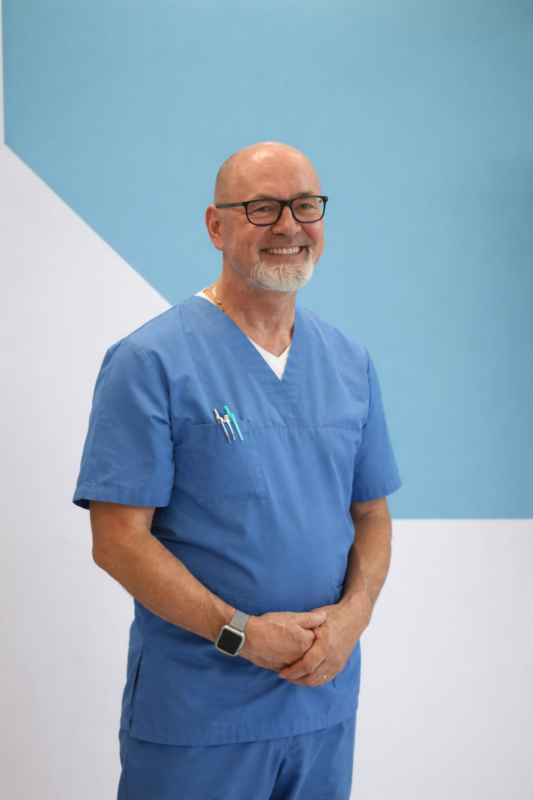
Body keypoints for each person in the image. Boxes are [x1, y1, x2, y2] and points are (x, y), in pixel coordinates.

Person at [73, 141, 401, 800]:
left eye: (305, 206)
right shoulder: (151, 361)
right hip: (201, 713)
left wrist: (353, 618)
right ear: (215, 226)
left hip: (321, 703)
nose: (288, 226)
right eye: (262, 208)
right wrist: (240, 634)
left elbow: (370, 513)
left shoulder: (349, 362)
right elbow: (118, 541)